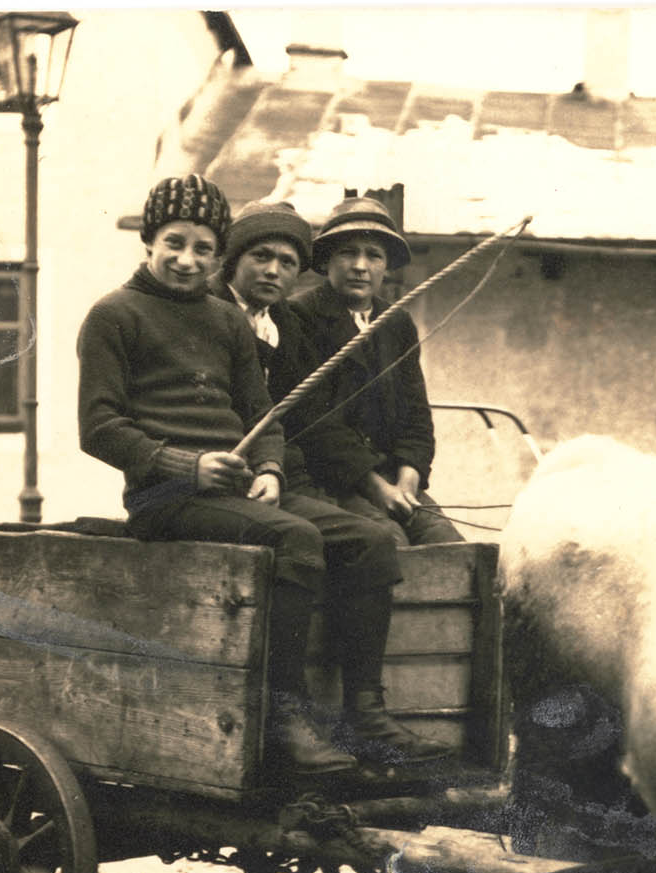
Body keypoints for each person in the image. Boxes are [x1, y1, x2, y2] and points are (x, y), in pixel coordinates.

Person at [77, 176, 434, 776]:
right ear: (149, 242)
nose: (188, 259)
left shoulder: (226, 321)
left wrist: (268, 467)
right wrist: (186, 465)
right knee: (295, 538)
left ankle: (365, 714)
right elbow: (100, 428)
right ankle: (280, 718)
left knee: (369, 539)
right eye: (175, 243)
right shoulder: (115, 315)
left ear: (217, 255)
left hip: (240, 492)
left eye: (202, 248)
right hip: (167, 498)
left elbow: (264, 414)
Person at [290, 195, 464, 545]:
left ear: (387, 265)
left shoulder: (396, 322)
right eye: (347, 252)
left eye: (374, 255)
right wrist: (377, 487)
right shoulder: (300, 317)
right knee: (389, 544)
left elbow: (417, 414)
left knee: (454, 547)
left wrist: (408, 479)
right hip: (332, 481)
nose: (360, 265)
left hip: (393, 479)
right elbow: (314, 423)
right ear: (326, 261)